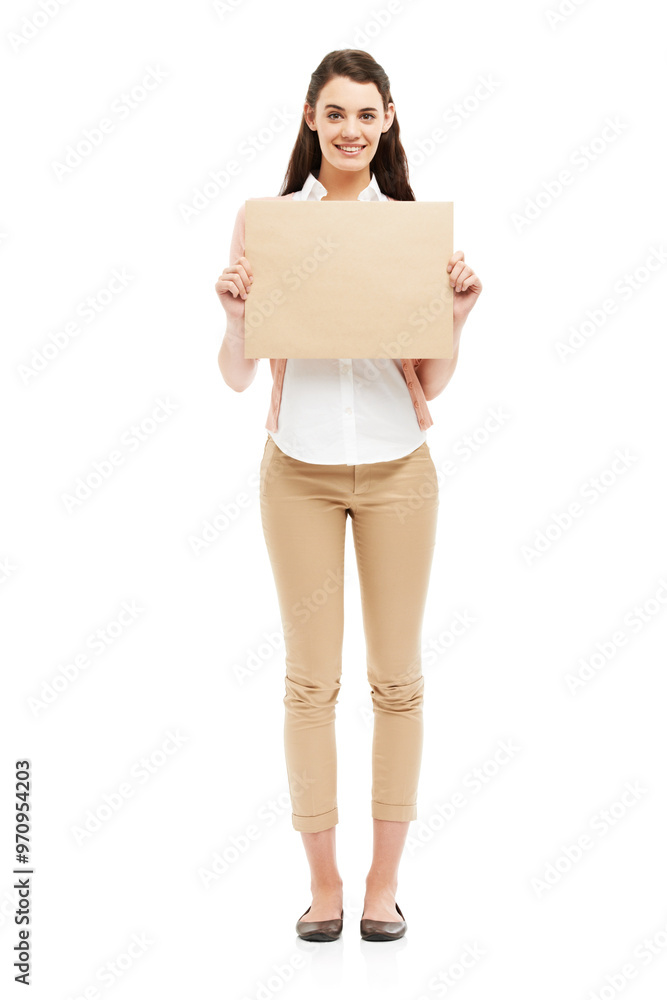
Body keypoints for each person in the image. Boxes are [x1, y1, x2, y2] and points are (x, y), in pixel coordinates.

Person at [215, 49, 482, 942]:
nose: (350, 130)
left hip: (397, 469)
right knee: (309, 683)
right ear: (310, 119)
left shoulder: (408, 229)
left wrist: (456, 317)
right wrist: (235, 319)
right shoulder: (267, 225)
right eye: (335, 113)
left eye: (366, 114)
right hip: (298, 470)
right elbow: (236, 376)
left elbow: (429, 382)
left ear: (388, 119)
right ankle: (323, 885)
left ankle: (383, 887)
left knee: (396, 681)